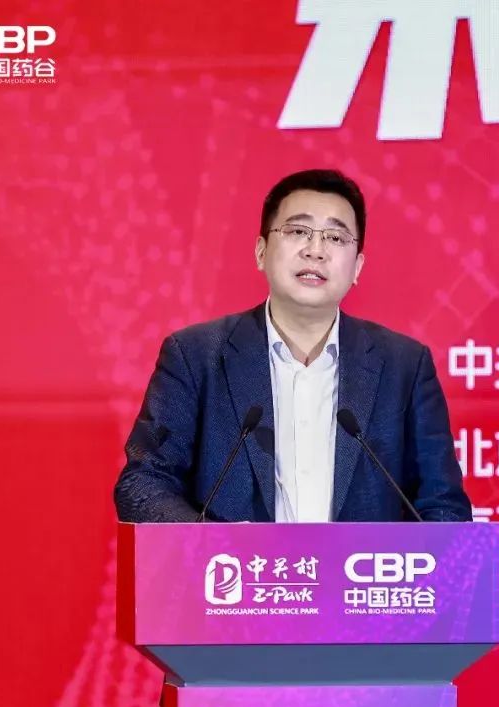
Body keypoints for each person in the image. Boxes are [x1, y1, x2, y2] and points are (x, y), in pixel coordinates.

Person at [114, 169, 471, 523]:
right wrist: (217, 545)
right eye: (298, 231)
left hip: (365, 564)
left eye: (335, 237)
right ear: (261, 251)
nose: (315, 250)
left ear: (357, 267)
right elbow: (144, 484)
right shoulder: (196, 357)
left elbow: (444, 506)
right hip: (230, 562)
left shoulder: (404, 367)